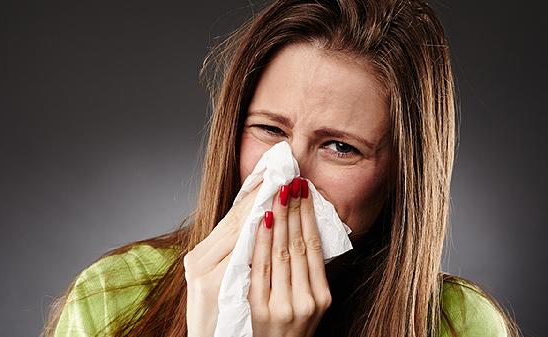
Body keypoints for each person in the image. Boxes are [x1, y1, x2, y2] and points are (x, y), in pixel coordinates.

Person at [41, 0, 521, 336]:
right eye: (269, 130)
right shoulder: (114, 296)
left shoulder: (464, 325)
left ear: (401, 177)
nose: (287, 175)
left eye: (340, 146)